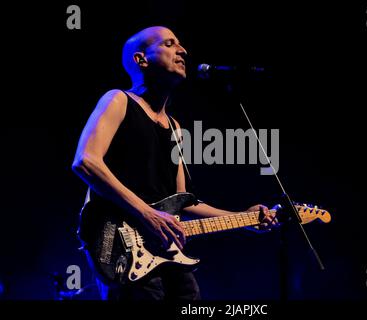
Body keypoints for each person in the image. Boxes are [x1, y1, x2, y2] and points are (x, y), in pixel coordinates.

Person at [72, 26, 278, 300]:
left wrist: (244, 219)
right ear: (141, 60)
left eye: (180, 44)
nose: (183, 50)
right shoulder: (118, 100)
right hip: (120, 246)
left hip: (164, 249)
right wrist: (147, 214)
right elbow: (85, 161)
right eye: (169, 44)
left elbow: (185, 203)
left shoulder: (175, 129)